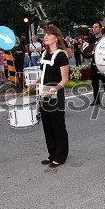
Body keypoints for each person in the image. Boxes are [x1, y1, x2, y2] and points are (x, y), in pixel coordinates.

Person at [36, 25, 69, 167]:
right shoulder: (44, 54)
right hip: (44, 94)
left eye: (49, 34)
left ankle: (61, 155)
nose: (45, 36)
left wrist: (54, 90)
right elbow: (45, 74)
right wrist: (35, 82)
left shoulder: (62, 55)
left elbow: (65, 79)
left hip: (55, 95)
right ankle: (52, 153)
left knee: (58, 126)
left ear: (57, 37)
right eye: (45, 34)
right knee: (47, 126)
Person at [88, 22, 105, 106]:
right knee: (94, 83)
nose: (94, 29)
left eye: (96, 27)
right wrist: (89, 53)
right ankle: (96, 99)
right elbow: (90, 50)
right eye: (93, 27)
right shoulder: (91, 38)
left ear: (100, 28)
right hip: (94, 63)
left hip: (103, 63)